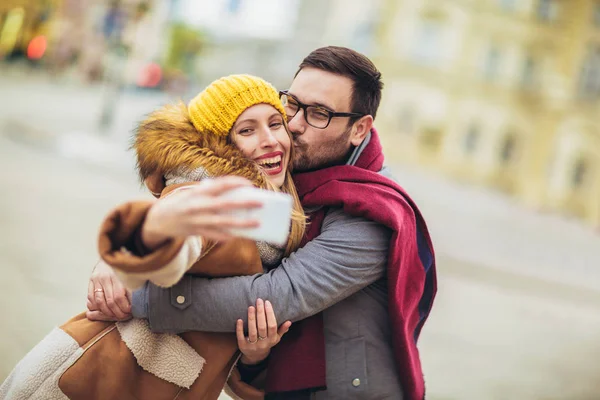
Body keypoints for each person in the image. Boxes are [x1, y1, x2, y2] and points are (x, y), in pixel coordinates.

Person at [93, 46, 438, 400]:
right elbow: (201, 221)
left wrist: (137, 298)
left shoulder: (372, 216)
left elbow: (276, 294)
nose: (294, 124)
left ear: (359, 129)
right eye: (292, 103)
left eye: (319, 113)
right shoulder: (286, 180)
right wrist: (124, 255)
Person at [0, 74, 303, 400]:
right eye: (247, 130)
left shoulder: (272, 226)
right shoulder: (209, 200)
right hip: (85, 380)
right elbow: (180, 240)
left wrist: (253, 353)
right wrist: (141, 243)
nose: (270, 139)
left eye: (276, 123)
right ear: (221, 145)